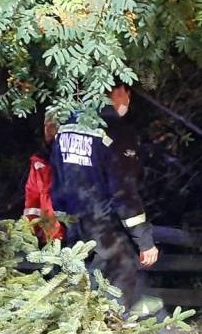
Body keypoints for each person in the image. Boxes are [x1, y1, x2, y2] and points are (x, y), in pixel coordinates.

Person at [51, 82, 159, 310]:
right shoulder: (116, 132)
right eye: (126, 95)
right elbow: (124, 192)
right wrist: (144, 241)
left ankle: (78, 329)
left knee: (77, 278)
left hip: (72, 223)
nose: (127, 102)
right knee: (121, 272)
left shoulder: (68, 126)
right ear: (118, 92)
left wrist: (58, 222)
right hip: (103, 224)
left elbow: (57, 175)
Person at [24, 115, 64, 244]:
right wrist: (31, 233)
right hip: (48, 240)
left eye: (53, 125)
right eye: (46, 125)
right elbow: (32, 201)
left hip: (76, 240)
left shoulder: (71, 161)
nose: (48, 129)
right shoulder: (39, 162)